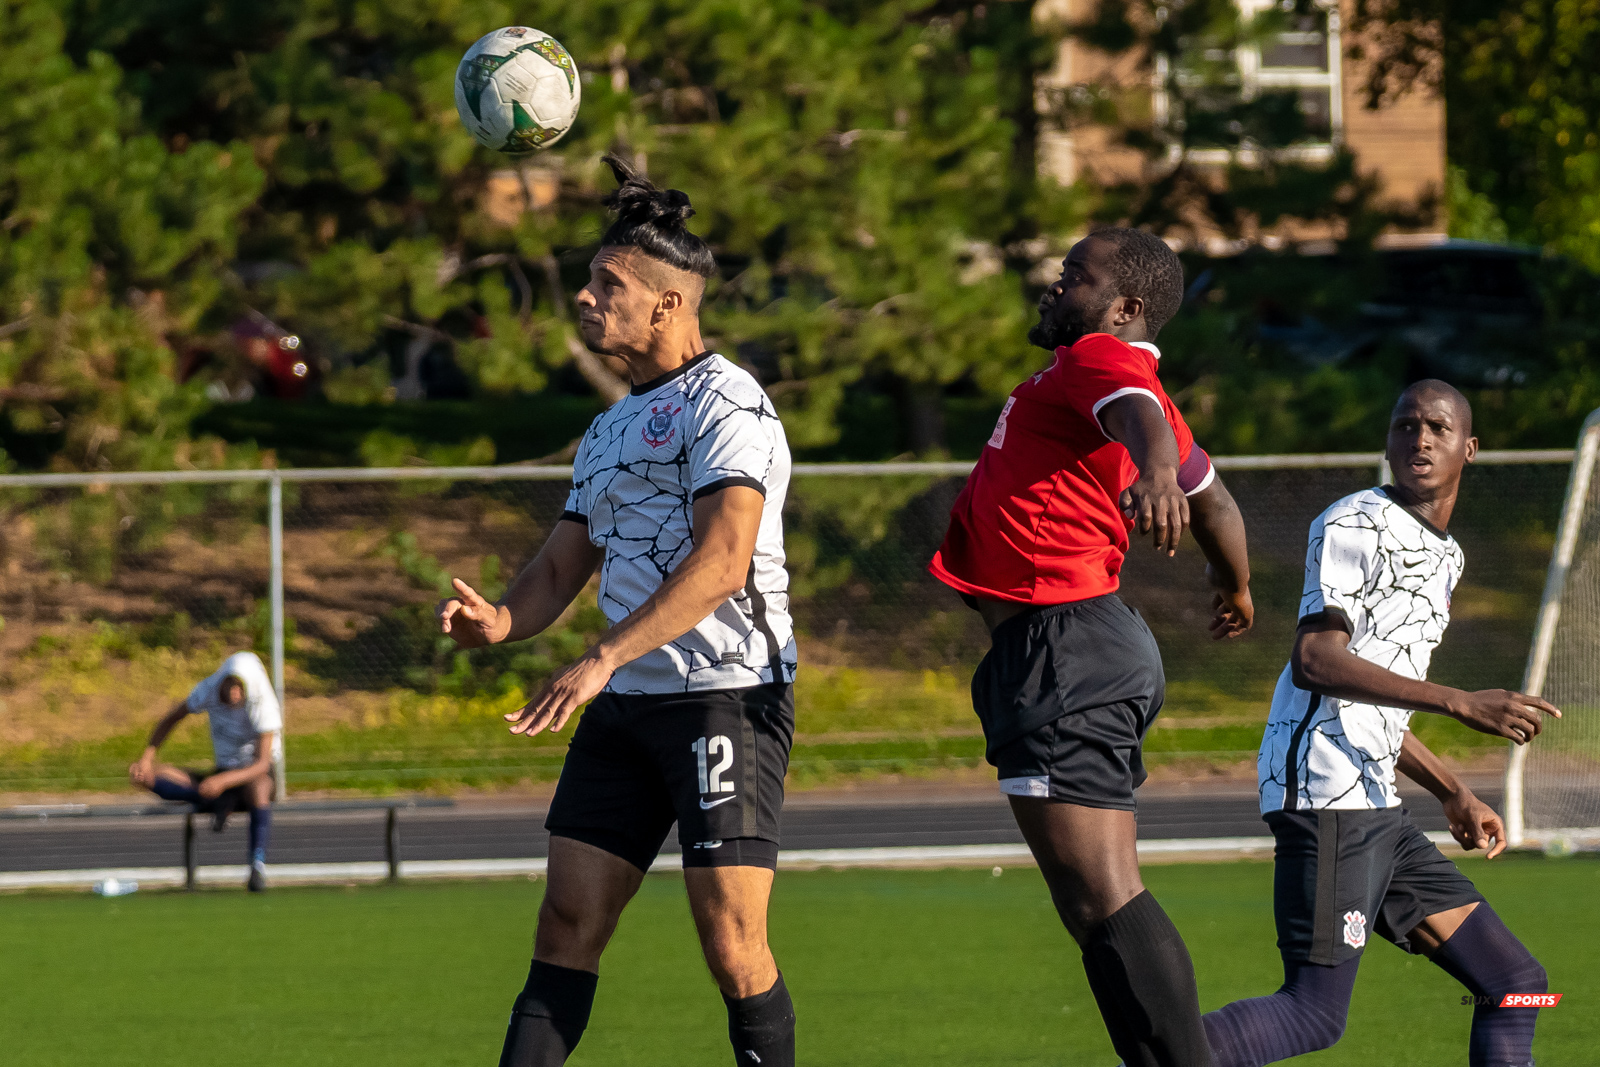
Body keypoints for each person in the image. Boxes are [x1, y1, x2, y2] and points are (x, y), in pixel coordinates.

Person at [437, 157, 798, 1067]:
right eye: (591, 280)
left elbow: (721, 564)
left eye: (610, 283)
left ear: (669, 304)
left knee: (731, 944)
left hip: (726, 696)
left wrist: (598, 655)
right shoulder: (608, 427)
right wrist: (504, 623)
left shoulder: (732, 403)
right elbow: (562, 564)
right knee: (565, 922)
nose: (588, 298)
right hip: (626, 706)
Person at [928, 228, 1254, 1067]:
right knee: (1087, 904)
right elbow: (1217, 507)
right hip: (1072, 647)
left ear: (1126, 307)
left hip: (1063, 646)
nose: (1056, 283)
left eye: (1077, 275)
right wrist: (1235, 585)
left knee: (1107, 893)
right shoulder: (1118, 377)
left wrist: (1150, 471)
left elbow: (1140, 422)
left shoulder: (1101, 361)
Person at [1202, 381, 1557, 1067]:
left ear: (1469, 448)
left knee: (1515, 983)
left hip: (1377, 802)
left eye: (1437, 427)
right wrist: (1459, 700)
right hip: (1328, 793)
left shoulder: (1448, 557)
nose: (1419, 438)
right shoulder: (1354, 522)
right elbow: (1315, 659)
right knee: (1313, 1011)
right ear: (1389, 442)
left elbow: (1373, 700)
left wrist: (1450, 788)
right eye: (1405, 425)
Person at [128, 649, 281, 892]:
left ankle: (257, 864)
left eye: (240, 687)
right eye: (230, 684)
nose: (234, 693)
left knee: (259, 787)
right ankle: (214, 800)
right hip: (222, 771)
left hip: (253, 774)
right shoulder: (208, 689)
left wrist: (223, 781)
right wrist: (146, 760)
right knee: (155, 776)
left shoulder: (263, 702)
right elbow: (171, 718)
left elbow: (262, 764)